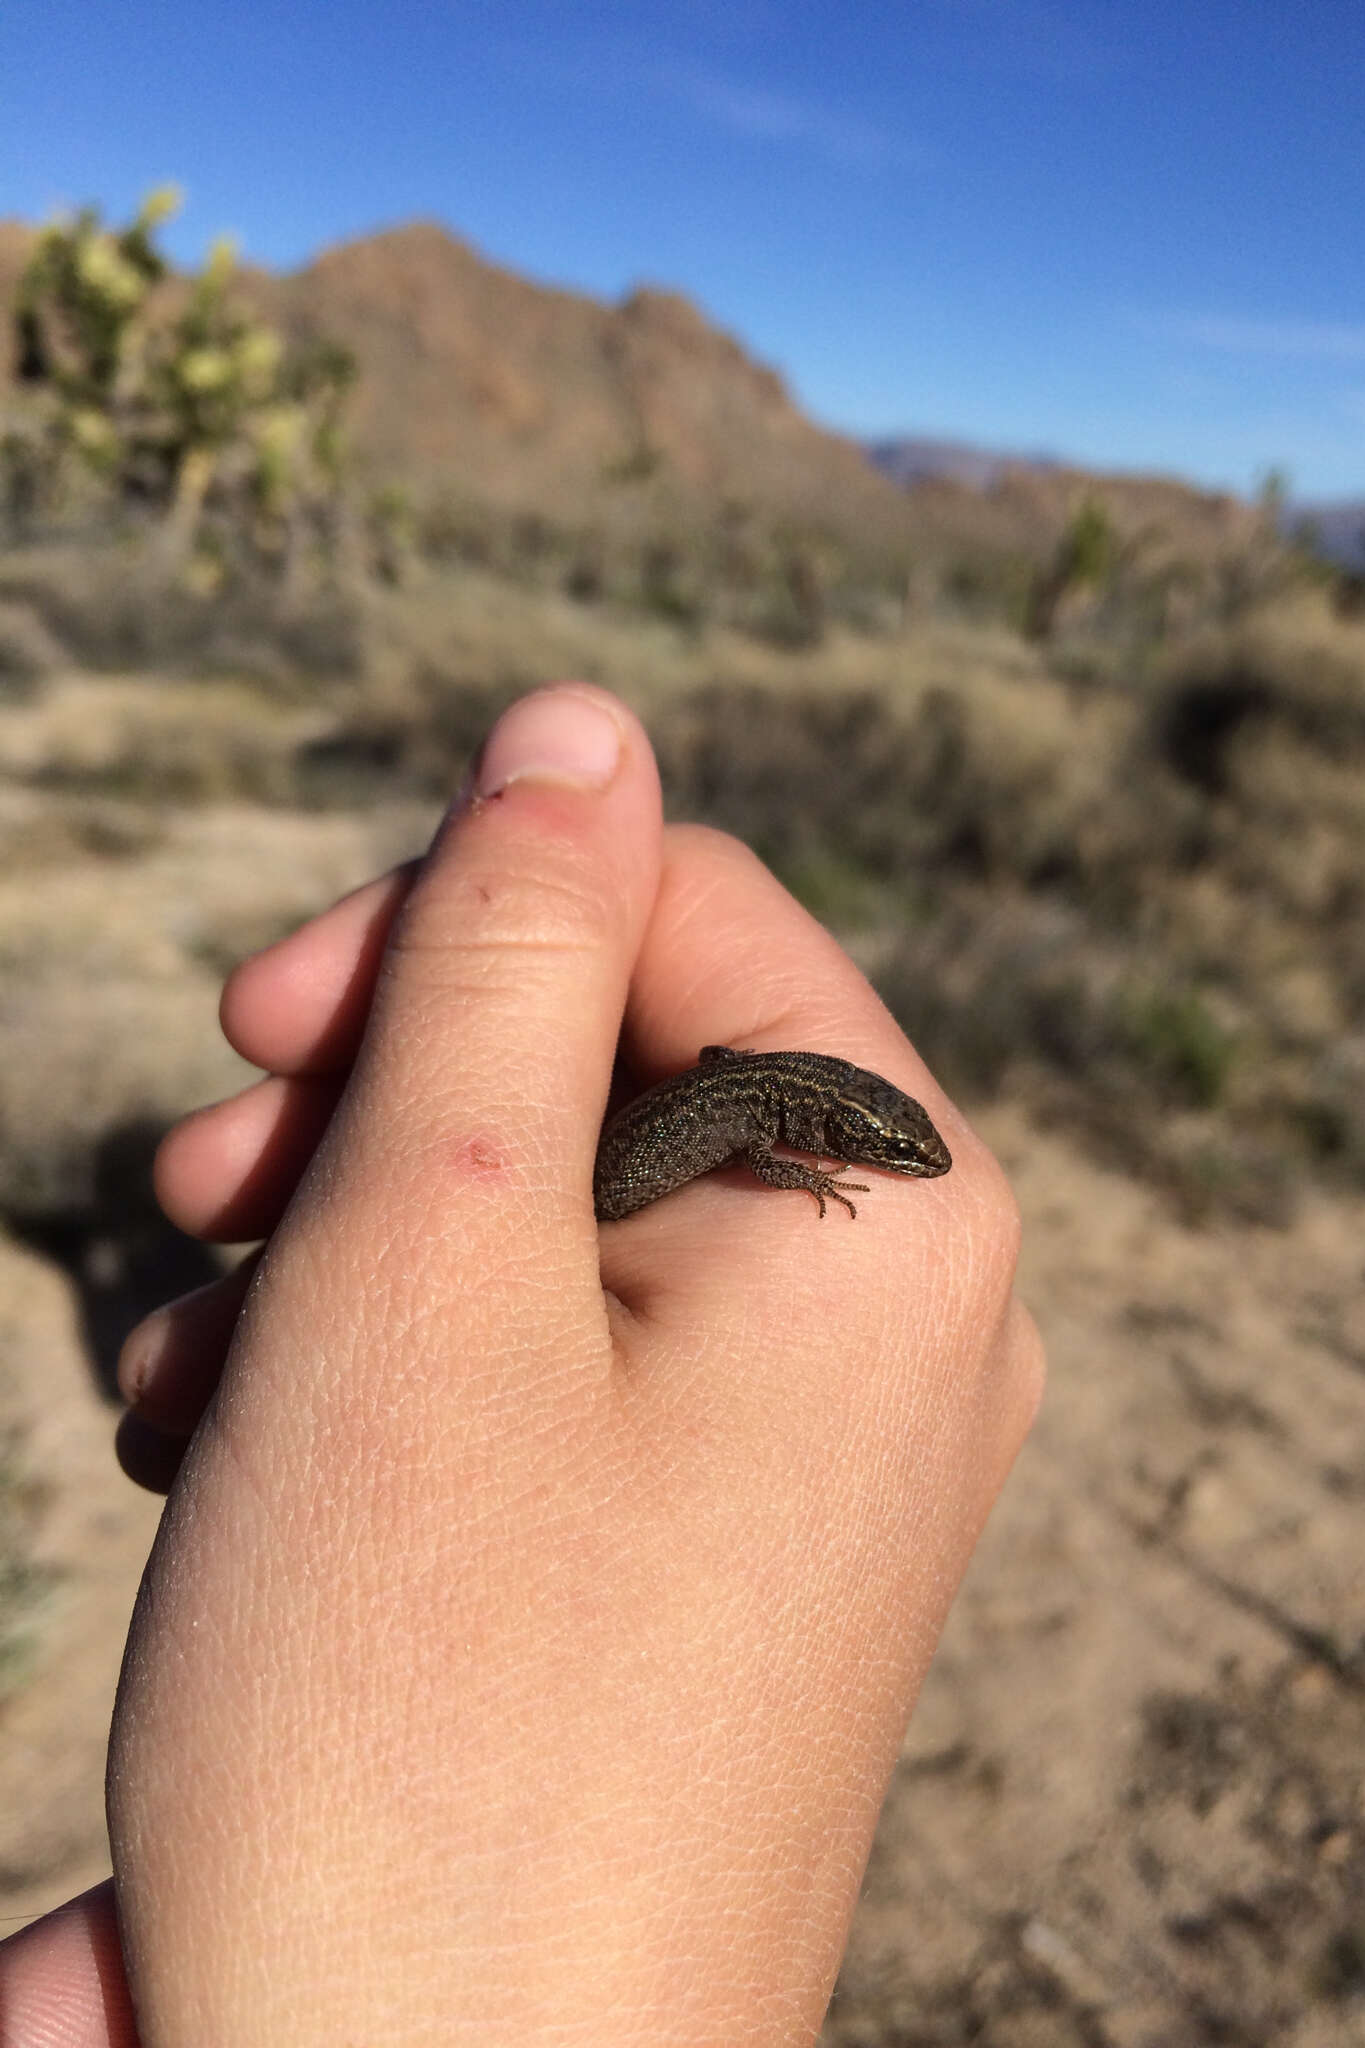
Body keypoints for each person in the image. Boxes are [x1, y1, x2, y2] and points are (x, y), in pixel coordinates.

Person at [1, 685, 1042, 2045]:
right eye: (890, 1151)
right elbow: (737, 1131)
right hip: (590, 1202)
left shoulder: (758, 1081)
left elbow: (726, 1086)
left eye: (894, 1151)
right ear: (844, 1126)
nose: (901, 1164)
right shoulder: (771, 1129)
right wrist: (801, 1185)